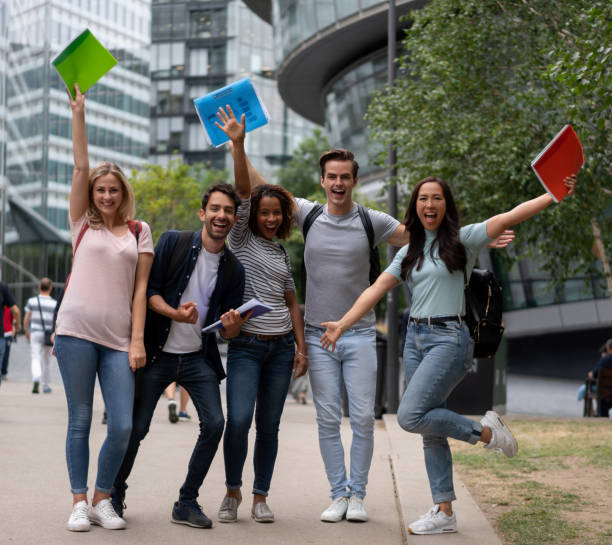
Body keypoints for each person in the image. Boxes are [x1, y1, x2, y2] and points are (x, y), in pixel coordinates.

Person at [239, 147, 512, 523]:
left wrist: (473, 240)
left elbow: (423, 234)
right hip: (320, 335)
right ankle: (338, 494)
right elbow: (261, 185)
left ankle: (358, 496)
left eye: (345, 177)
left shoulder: (373, 221)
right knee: (328, 419)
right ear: (323, 181)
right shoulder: (307, 213)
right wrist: (239, 145)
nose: (338, 183)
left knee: (364, 418)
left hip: (362, 335)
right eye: (331, 177)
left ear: (353, 180)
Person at [320, 174, 578, 535]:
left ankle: (486, 432)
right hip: (415, 339)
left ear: (446, 204)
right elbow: (376, 288)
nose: (429, 205)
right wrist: (343, 324)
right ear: (415, 207)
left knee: (410, 415)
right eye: (423, 199)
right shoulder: (409, 252)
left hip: (449, 338)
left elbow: (510, 215)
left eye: (437, 198)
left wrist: (552, 194)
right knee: (430, 427)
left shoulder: (463, 239)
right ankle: (444, 512)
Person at [111, 183, 247, 530]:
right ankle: (114, 494)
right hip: (158, 354)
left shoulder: (234, 269)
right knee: (136, 428)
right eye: (215, 209)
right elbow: (149, 292)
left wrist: (231, 325)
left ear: (234, 219)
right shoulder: (173, 241)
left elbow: (228, 333)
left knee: (215, 423)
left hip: (198, 357)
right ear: (203, 213)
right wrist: (174, 313)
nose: (221, 216)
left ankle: (187, 501)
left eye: (228, 211)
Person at [54, 83, 154, 532]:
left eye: (114, 190)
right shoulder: (81, 224)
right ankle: (79, 501)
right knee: (79, 420)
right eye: (100, 189)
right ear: (92, 194)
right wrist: (79, 112)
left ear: (123, 192)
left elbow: (140, 289)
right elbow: (79, 164)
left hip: (118, 341)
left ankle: (103, 498)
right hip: (74, 332)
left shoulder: (138, 230)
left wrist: (136, 340)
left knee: (121, 425)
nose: (107, 196)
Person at [214, 107, 308, 524]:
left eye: (277, 213)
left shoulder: (282, 252)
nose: (270, 218)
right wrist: (239, 144)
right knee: (238, 421)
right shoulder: (241, 237)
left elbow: (292, 302)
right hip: (247, 348)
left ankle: (260, 495)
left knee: (269, 428)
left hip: (281, 349)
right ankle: (233, 490)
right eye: (264, 212)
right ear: (253, 215)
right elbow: (242, 190)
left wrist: (301, 349)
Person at [23, 277, 57, 393]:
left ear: (39, 287)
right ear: (51, 288)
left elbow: (26, 319)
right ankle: (46, 385)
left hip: (35, 333)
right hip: (48, 335)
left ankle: (36, 378)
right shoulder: (54, 304)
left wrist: (26, 331)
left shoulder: (32, 301)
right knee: (47, 360)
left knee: (35, 357)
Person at [578, 339, 612, 416]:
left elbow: (594, 374)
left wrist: (591, 375)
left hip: (604, 391)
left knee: (586, 389)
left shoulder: (606, 359)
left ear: (609, 349)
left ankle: (592, 415)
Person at [0, 282, 21, 386]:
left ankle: (4, 372)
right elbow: (16, 311)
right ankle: (3, 372)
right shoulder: (2, 288)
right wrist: (18, 326)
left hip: (6, 333)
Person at [2, 306, 16, 381]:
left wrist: (13, 330)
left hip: (7, 333)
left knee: (5, 354)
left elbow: (13, 320)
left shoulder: (9, 306)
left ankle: (3, 373)